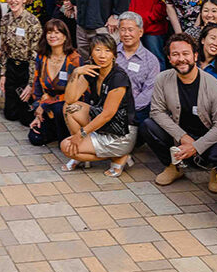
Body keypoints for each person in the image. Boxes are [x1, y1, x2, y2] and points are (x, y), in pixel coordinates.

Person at [144, 34, 217, 190]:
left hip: (207, 136)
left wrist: (196, 146)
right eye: (175, 54)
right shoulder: (162, 79)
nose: (181, 59)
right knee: (148, 126)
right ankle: (174, 166)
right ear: (169, 58)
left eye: (185, 54)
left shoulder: (213, 85)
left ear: (195, 56)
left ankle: (216, 171)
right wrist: (183, 137)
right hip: (180, 133)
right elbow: (156, 111)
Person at [60, 34, 137, 176]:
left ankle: (120, 156)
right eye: (98, 50)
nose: (102, 55)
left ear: (114, 55)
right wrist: (76, 73)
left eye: (107, 51)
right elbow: (70, 99)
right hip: (103, 124)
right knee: (69, 108)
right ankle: (82, 152)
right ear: (91, 54)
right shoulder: (93, 71)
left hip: (121, 132)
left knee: (66, 146)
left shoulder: (118, 77)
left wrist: (81, 134)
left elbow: (108, 113)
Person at [27, 20, 80, 146]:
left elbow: (77, 93)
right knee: (35, 138)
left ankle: (65, 136)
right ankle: (54, 131)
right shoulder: (42, 57)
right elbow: (37, 86)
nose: (52, 36)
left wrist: (44, 105)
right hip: (47, 103)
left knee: (58, 109)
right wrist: (38, 108)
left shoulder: (73, 59)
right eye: (49, 32)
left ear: (65, 36)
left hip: (68, 104)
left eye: (57, 32)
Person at [0, 0, 43, 126]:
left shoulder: (33, 22)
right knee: (10, 115)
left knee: (26, 119)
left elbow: (35, 56)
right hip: (12, 67)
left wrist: (31, 84)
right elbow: (4, 50)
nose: (13, 0)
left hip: (27, 69)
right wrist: (3, 74)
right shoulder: (5, 20)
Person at [114, 11, 160, 126]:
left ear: (140, 32)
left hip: (135, 110)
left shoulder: (151, 60)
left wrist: (127, 108)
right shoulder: (111, 53)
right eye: (123, 30)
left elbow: (148, 92)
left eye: (130, 30)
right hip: (109, 106)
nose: (126, 34)